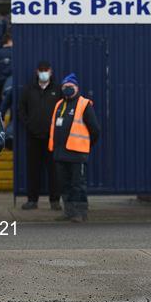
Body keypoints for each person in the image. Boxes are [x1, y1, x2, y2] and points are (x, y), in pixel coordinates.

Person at [48, 73, 100, 223]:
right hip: (60, 153)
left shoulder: (84, 104)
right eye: (64, 87)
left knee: (77, 185)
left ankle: (81, 213)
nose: (67, 89)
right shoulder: (59, 104)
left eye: (70, 86)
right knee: (64, 184)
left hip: (77, 154)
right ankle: (69, 212)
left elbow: (95, 130)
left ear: (76, 88)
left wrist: (86, 145)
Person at [18, 61, 62, 210]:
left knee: (54, 170)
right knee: (33, 170)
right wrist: (29, 124)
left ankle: (55, 201)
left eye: (46, 70)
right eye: (41, 70)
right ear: (37, 72)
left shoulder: (57, 89)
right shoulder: (29, 89)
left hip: (52, 138)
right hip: (34, 137)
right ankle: (32, 200)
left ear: (51, 71)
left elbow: (62, 109)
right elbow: (21, 109)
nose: (44, 73)